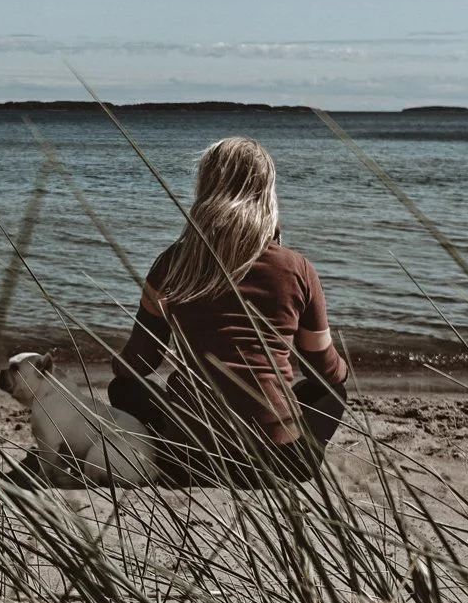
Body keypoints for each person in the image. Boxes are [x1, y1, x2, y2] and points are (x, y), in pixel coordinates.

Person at [109, 136, 349, 487]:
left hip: (189, 459)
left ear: (205, 188)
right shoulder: (296, 268)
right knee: (332, 393)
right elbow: (322, 369)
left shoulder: (173, 263)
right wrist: (342, 368)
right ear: (267, 193)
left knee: (123, 389)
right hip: (278, 466)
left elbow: (140, 364)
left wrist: (117, 363)